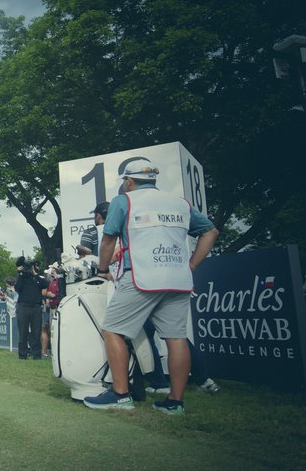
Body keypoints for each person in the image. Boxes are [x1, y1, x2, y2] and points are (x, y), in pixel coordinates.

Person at [83, 159, 218, 415]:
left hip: (142, 277)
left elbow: (109, 239)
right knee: (175, 337)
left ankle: (120, 395)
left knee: (112, 330)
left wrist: (102, 271)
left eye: (125, 181)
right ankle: (175, 402)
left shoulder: (124, 200)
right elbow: (211, 232)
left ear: (129, 181)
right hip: (178, 280)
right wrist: (191, 265)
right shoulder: (180, 202)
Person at [15, 260, 46, 360]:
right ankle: (22, 355)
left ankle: (36, 355)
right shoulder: (22, 278)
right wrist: (20, 274)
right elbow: (17, 288)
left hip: (36, 307)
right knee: (23, 332)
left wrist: (34, 274)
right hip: (23, 307)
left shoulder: (38, 278)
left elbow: (45, 284)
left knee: (36, 332)